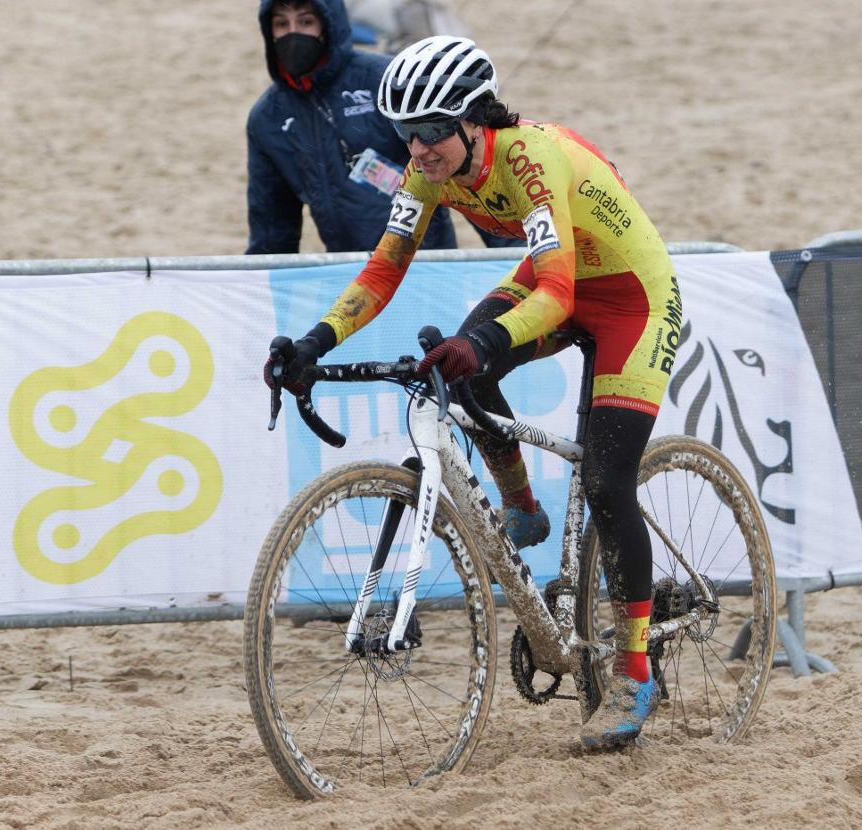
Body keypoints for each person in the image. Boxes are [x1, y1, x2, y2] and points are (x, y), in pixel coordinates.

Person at [265, 35, 680, 750]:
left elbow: (556, 295)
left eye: (431, 131)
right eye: (405, 133)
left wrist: (484, 342)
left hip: (631, 300)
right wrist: (313, 344)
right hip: (558, 280)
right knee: (461, 365)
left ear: (473, 119)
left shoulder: (529, 159)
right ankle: (523, 509)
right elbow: (382, 271)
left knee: (608, 484)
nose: (418, 149)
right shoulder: (427, 171)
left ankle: (635, 672)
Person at [246, 0, 518, 254]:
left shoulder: (389, 82)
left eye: (306, 22)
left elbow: (472, 171)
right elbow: (272, 234)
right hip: (347, 272)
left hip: (426, 265)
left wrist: (517, 255)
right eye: (281, 24)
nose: (293, 34)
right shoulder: (267, 119)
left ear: (329, 23)